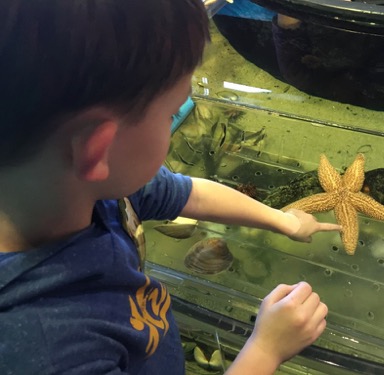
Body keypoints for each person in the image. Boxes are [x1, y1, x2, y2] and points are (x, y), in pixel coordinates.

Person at [0, 1, 343, 374]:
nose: (174, 121)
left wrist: (283, 220)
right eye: (170, 114)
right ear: (99, 149)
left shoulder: (72, 184)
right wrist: (265, 349)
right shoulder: (45, 349)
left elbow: (190, 193)